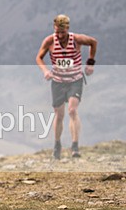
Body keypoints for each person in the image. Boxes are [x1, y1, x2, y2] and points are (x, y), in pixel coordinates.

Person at [36, 14, 97, 159]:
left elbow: (93, 42)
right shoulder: (50, 41)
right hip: (58, 81)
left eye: (62, 32)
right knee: (59, 114)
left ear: (67, 30)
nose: (60, 35)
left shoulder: (76, 39)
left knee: (72, 110)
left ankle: (75, 146)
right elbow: (39, 57)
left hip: (75, 80)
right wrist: (45, 71)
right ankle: (57, 144)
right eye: (57, 32)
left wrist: (90, 63)